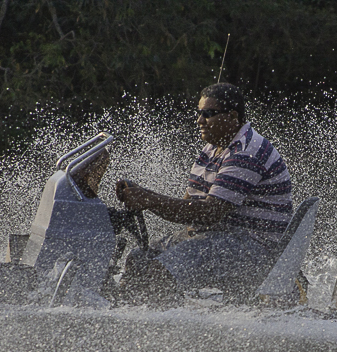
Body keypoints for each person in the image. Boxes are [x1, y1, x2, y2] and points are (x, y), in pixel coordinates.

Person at [114, 82, 293, 300]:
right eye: (199, 113)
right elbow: (188, 208)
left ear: (232, 116)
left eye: (208, 114)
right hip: (216, 237)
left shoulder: (246, 151)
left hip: (254, 249)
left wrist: (148, 199)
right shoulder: (212, 148)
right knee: (138, 259)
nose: (200, 120)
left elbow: (209, 213)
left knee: (158, 272)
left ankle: (158, 323)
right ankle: (125, 311)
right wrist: (141, 195)